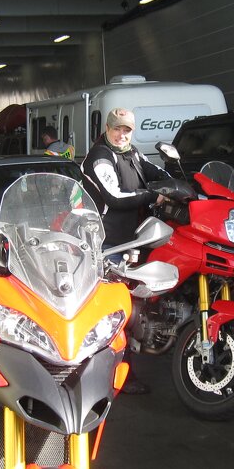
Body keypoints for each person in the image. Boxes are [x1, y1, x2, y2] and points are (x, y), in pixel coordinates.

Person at [82, 107, 172, 395]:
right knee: (114, 310)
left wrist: (180, 185)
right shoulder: (100, 156)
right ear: (107, 128)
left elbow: (154, 171)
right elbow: (115, 197)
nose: (122, 134)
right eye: (117, 128)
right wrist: (151, 195)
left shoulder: (132, 153)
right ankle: (112, 375)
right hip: (108, 244)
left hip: (133, 240)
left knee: (135, 307)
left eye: (127, 129)